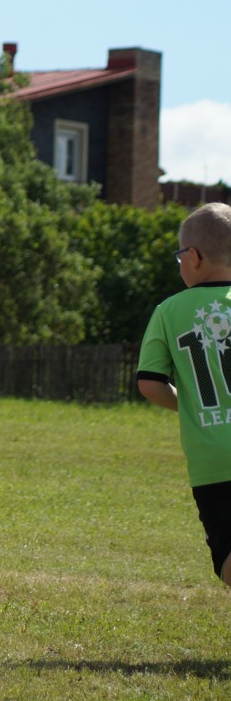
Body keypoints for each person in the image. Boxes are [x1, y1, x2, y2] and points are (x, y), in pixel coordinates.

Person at [137, 202, 231, 589]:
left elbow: (150, 382)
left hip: (213, 460)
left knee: (227, 556)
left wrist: (189, 403)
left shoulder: (168, 311)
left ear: (193, 257)